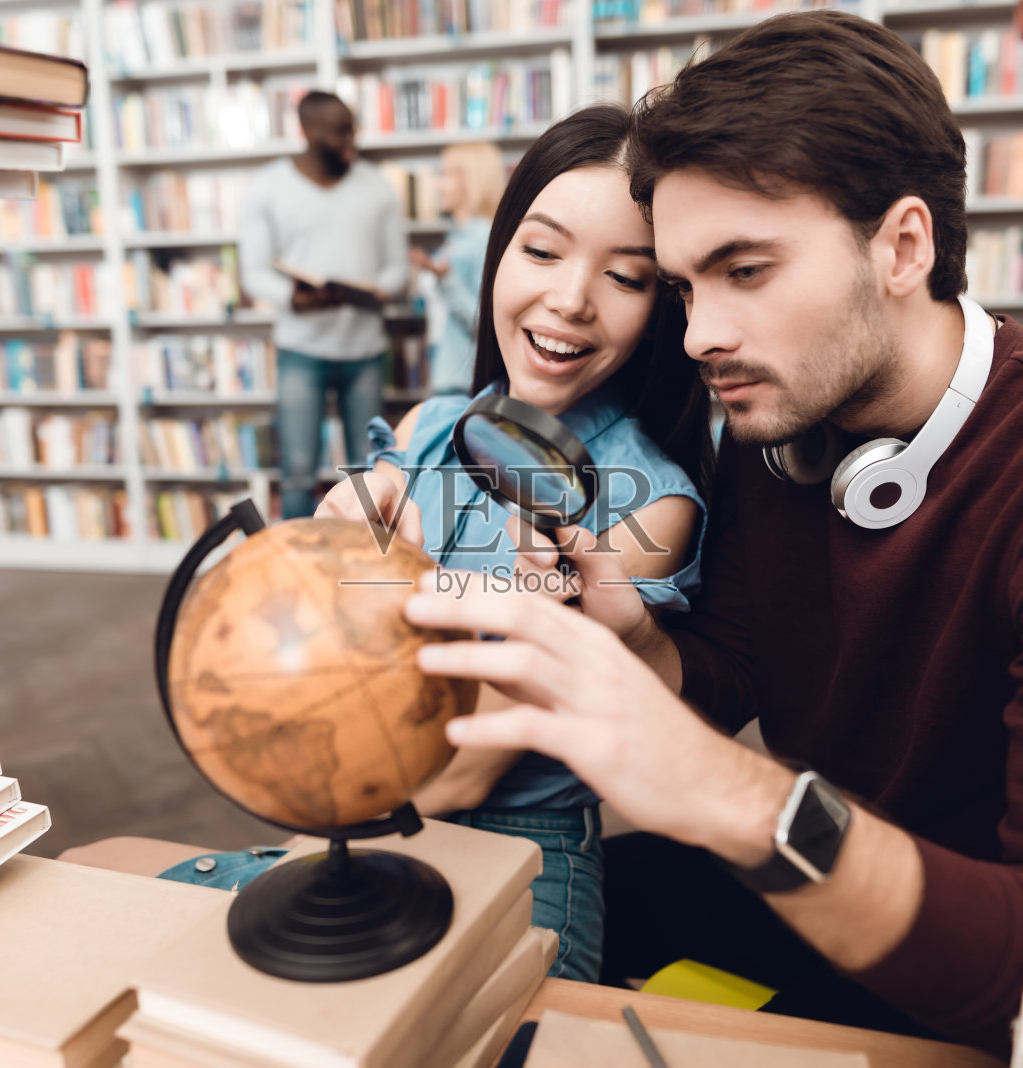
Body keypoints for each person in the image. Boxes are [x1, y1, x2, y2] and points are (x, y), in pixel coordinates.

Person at [394, 11, 1023, 1057]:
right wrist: (642, 647)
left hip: (983, 964)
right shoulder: (782, 421)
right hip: (812, 883)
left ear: (902, 245)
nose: (700, 333)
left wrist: (731, 795)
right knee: (478, 936)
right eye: (681, 287)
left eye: (744, 270)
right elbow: (740, 665)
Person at [314, 105, 713, 984]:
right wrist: (342, 532)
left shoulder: (648, 504)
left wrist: (309, 831)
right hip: (365, 790)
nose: (570, 298)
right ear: (496, 255)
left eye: (627, 276)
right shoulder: (426, 427)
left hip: (517, 847)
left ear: (663, 305)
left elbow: (467, 769)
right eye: (541, 251)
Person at [239, 90, 408, 519]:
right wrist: (292, 297)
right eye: (339, 133)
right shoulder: (268, 188)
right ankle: (297, 569)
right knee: (297, 468)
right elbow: (253, 271)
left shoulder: (377, 188)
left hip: (365, 350)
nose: (351, 140)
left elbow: (398, 270)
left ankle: (366, 565)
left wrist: (374, 290)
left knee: (369, 470)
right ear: (308, 132)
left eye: (352, 129)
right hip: (301, 349)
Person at [409, 142, 506, 396]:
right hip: (448, 371)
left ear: (472, 180)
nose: (438, 184)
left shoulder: (483, 238)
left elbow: (486, 322)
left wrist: (446, 280)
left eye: (446, 174)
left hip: (465, 381)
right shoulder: (456, 239)